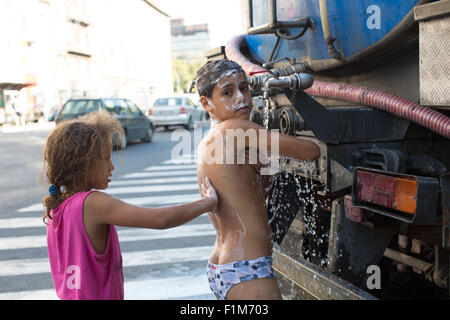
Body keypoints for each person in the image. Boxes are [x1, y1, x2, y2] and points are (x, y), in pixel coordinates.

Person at [42, 111, 218, 300]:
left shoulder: (57, 208)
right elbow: (160, 219)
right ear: (83, 163)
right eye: (106, 157)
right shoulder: (92, 203)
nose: (112, 166)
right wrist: (208, 202)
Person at [195, 59, 320, 300]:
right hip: (247, 268)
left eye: (244, 88)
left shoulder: (207, 142)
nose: (241, 98)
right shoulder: (238, 130)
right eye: (228, 93)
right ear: (206, 103)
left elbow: (254, 193)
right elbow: (311, 151)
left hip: (222, 265)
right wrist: (271, 133)